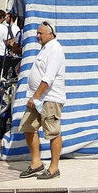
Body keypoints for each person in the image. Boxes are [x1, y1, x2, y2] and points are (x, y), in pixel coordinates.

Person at [20, 20, 67, 180]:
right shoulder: (45, 49)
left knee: (52, 132)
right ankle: (36, 163)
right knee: (28, 126)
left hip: (49, 98)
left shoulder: (55, 49)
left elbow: (48, 78)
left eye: (40, 33)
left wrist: (35, 97)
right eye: (37, 33)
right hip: (38, 98)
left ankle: (54, 168)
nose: (37, 36)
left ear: (50, 34)